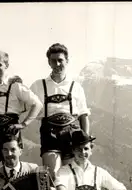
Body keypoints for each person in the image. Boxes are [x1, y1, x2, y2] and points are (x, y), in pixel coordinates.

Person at [29, 43, 91, 181]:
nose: (57, 64)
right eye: (53, 60)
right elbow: (23, 106)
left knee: (72, 179)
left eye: (60, 60)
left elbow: (83, 115)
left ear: (67, 61)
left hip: (73, 135)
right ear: (49, 62)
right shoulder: (38, 85)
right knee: (53, 177)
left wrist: (84, 140)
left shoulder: (76, 87)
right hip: (50, 134)